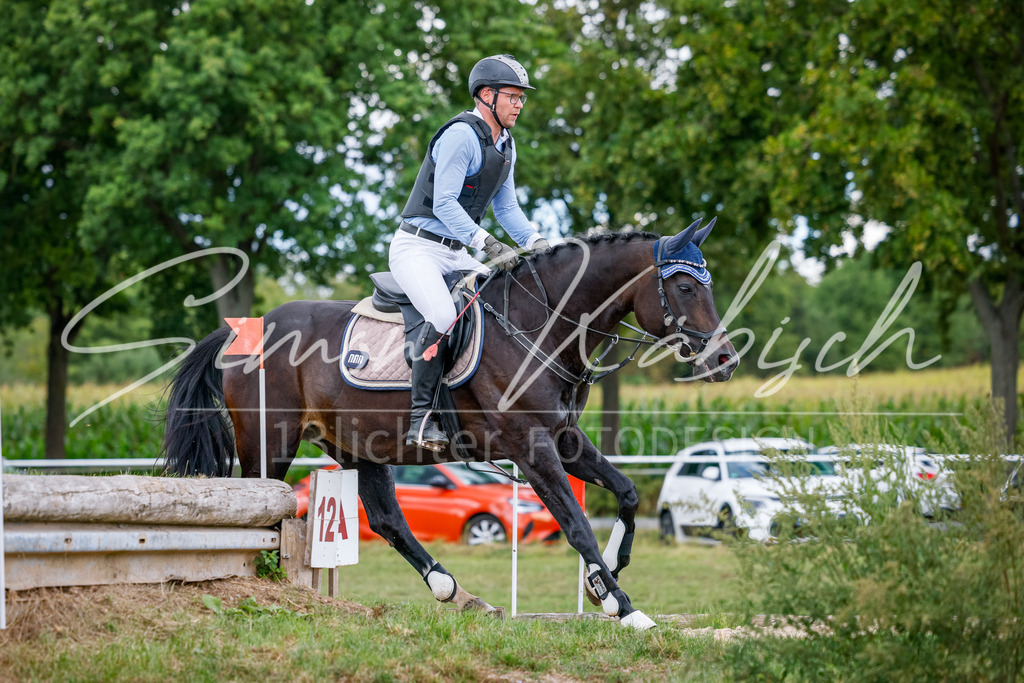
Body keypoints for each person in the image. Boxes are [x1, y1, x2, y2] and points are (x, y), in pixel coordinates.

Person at [389, 54, 551, 451]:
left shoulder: (506, 145)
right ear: (486, 95)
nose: (519, 104)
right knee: (445, 315)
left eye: (521, 99)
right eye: (512, 96)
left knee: (506, 301)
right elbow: (444, 203)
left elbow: (507, 209)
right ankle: (421, 419)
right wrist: (488, 243)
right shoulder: (461, 135)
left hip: (457, 252)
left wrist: (537, 243)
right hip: (418, 248)